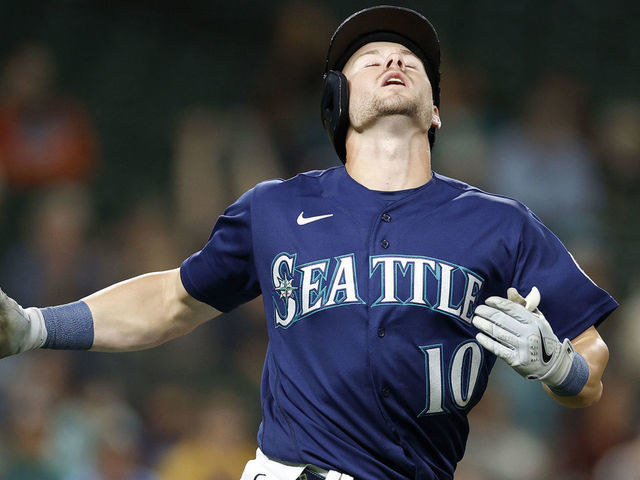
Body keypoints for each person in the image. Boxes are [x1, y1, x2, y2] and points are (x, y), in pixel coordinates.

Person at [0, 6, 617, 480]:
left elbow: (592, 358)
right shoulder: (275, 207)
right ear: (337, 102)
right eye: (370, 58)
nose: (393, 60)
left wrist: (561, 368)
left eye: (410, 58)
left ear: (435, 111)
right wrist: (34, 326)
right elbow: (172, 300)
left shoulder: (501, 223)